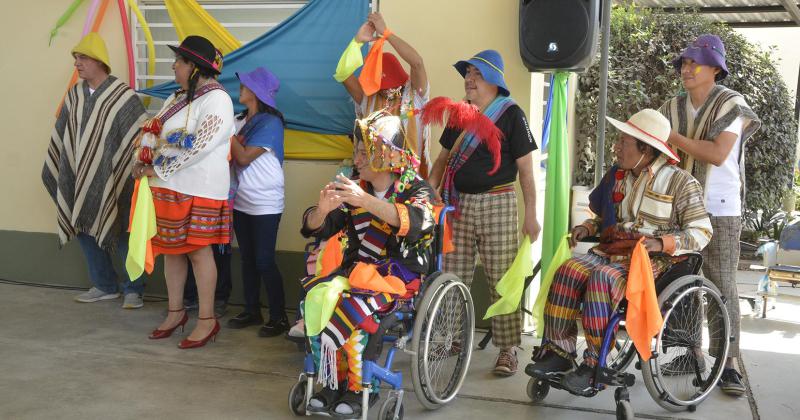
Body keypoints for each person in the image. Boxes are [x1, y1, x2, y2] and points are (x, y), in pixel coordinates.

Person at [525, 109, 713, 396]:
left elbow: (702, 232)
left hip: (656, 261)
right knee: (568, 271)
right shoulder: (620, 177)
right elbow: (607, 219)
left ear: (646, 149)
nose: (616, 146)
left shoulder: (680, 182)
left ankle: (594, 363)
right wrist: (588, 227)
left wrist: (662, 243)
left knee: (603, 278)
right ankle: (559, 352)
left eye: (624, 142)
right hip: (617, 250)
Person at [300, 111, 435, 417]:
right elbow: (316, 226)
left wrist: (366, 201)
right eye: (356, 152)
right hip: (356, 274)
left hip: (398, 280)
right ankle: (333, 381)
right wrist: (320, 212)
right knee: (315, 299)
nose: (356, 159)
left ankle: (362, 387)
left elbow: (417, 223)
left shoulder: (417, 189)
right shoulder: (353, 191)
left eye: (364, 152)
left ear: (385, 156)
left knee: (354, 308)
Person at [659, 34, 760, 397]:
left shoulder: (732, 104)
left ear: (715, 68)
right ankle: (690, 353)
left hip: (720, 208)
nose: (686, 68)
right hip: (679, 206)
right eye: (683, 63)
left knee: (722, 287)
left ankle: (728, 363)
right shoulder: (672, 104)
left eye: (694, 62)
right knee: (682, 283)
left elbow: (717, 154)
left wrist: (670, 136)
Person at [428, 49, 540, 376]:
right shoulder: (459, 114)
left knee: (502, 279)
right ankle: (451, 337)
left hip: (498, 202)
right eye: (467, 74)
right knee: (452, 274)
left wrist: (531, 215)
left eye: (475, 74)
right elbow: (441, 160)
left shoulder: (512, 114)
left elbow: (527, 172)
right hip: (458, 204)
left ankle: (508, 348)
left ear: (493, 79)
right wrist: (431, 191)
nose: (468, 79)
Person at [132, 35, 234, 349]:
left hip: (199, 188)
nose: (174, 66)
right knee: (170, 250)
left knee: (197, 252)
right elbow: (157, 135)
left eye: (179, 61)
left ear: (194, 67)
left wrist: (157, 169)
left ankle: (206, 319)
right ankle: (175, 312)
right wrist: (142, 161)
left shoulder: (217, 99)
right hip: (168, 186)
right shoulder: (178, 97)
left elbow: (201, 146)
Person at [42, 32, 148, 309]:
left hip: (113, 176)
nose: (77, 63)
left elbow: (140, 136)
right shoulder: (74, 95)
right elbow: (64, 136)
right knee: (84, 225)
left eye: (83, 58)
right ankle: (104, 285)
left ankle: (134, 288)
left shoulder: (123, 97)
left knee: (122, 227)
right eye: (76, 58)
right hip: (79, 175)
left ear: (100, 62)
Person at [225, 67, 289, 337]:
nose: (241, 88)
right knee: (248, 260)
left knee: (264, 260)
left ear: (257, 93)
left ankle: (279, 316)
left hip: (265, 203)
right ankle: (252, 310)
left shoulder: (270, 123)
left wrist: (223, 129)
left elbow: (242, 157)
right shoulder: (239, 121)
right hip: (242, 201)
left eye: (246, 85)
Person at [336, 12, 431, 174]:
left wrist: (386, 33)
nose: (387, 90)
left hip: (409, 180)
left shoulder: (415, 95)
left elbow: (417, 62)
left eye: (392, 84)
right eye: (382, 86)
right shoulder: (368, 97)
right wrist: (357, 42)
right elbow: (343, 74)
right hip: (374, 177)